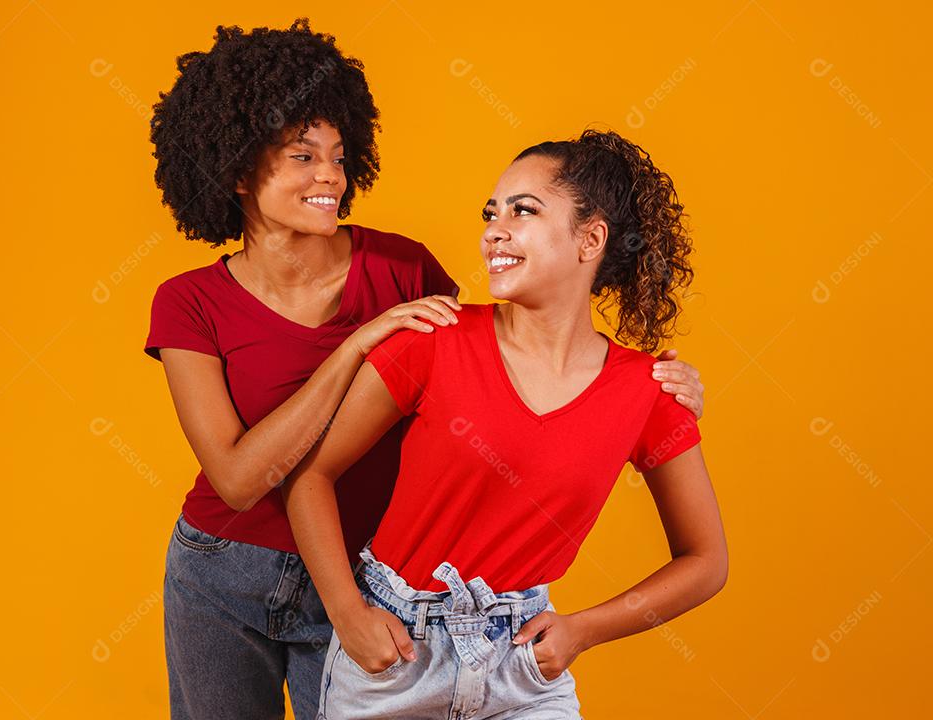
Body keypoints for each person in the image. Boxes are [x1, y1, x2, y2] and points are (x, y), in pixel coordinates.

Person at [145, 18, 707, 720]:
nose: (331, 177)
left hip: (360, 574)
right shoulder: (189, 303)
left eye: (340, 157)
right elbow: (236, 479)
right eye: (302, 156)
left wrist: (654, 395)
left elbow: (509, 356)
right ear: (233, 167)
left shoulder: (403, 269)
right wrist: (354, 347)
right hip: (222, 572)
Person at [281, 129, 728, 719]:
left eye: (524, 211)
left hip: (522, 670)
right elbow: (311, 475)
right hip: (394, 660)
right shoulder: (433, 341)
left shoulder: (648, 391)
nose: (495, 229)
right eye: (491, 213)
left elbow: (705, 561)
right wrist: (346, 612)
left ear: (590, 239)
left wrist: (582, 631)